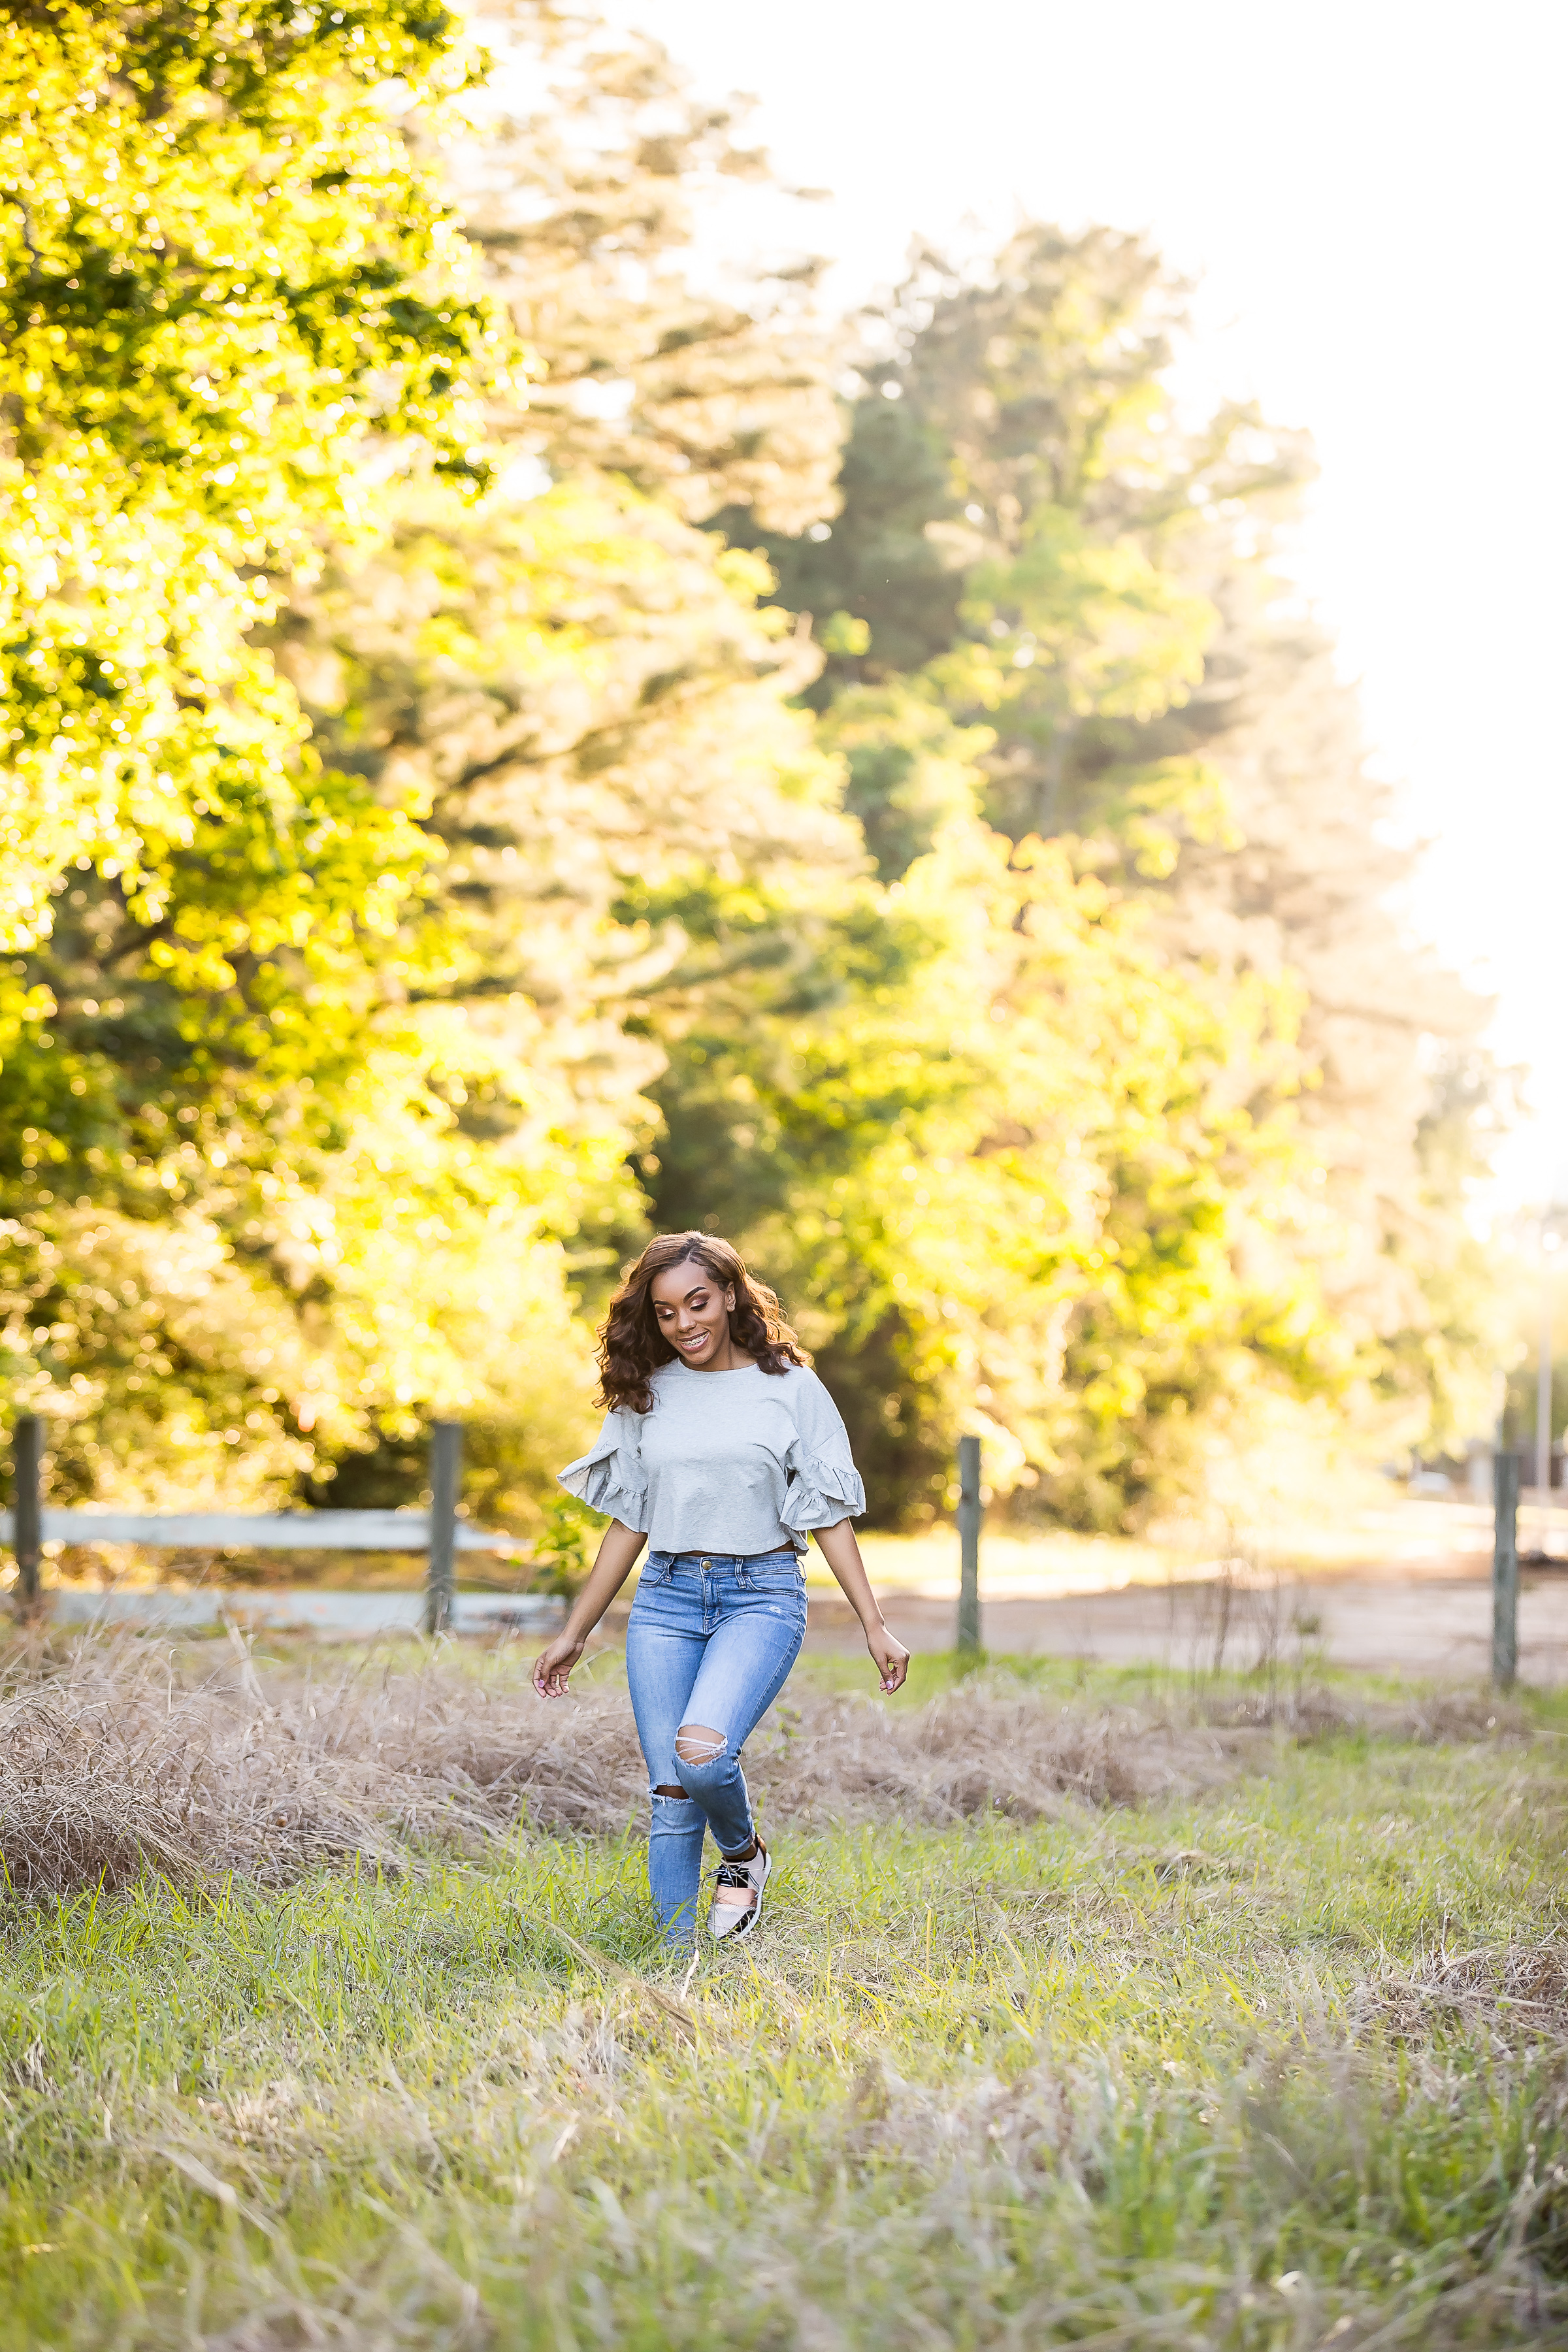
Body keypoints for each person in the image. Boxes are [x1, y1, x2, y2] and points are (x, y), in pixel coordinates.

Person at [533, 1231, 909, 1944]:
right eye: (666, 1312)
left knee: (701, 1755)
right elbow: (629, 1523)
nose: (684, 1324)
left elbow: (828, 1515)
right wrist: (574, 1634)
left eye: (698, 1303)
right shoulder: (646, 1394)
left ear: (731, 1296)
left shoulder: (791, 1389)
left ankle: (742, 1852)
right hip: (666, 1598)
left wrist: (873, 1623)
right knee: (672, 1794)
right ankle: (675, 1963)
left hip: (760, 1595)